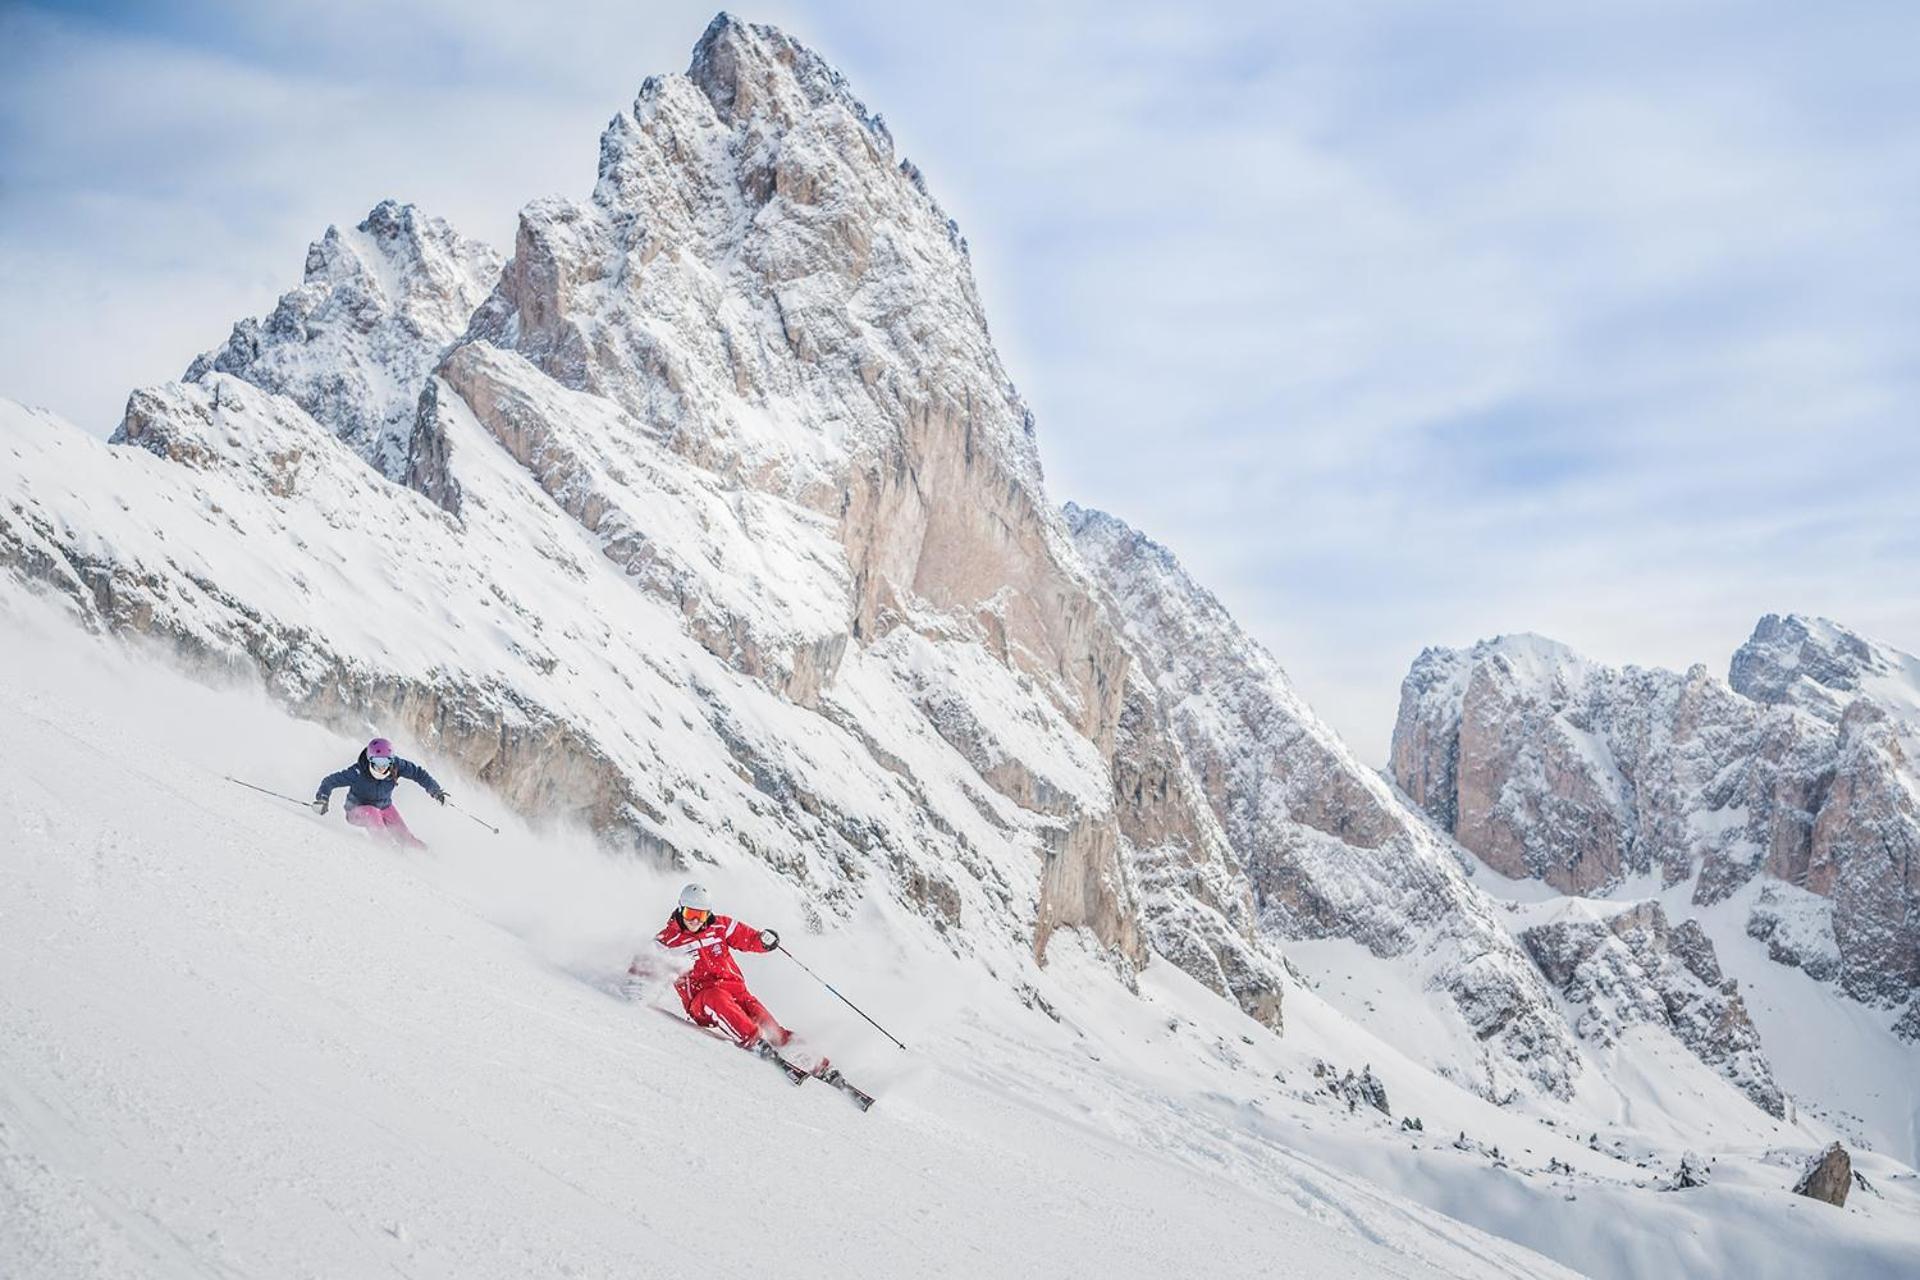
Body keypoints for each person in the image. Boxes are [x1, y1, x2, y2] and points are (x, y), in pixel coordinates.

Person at [646, 883, 792, 1051]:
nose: (694, 921)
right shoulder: (668, 941)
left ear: (708, 914)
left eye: (700, 916)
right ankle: (755, 1042)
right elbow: (646, 964)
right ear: (680, 909)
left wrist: (764, 942)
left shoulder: (720, 926)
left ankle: (811, 1059)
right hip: (702, 1001)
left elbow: (748, 938)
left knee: (770, 1026)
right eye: (690, 913)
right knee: (715, 997)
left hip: (737, 993)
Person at [312, 737, 447, 849]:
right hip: (356, 812)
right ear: (370, 759)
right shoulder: (358, 772)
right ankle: (388, 848)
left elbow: (418, 774)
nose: (382, 767)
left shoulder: (396, 766)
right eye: (377, 762)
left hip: (384, 807)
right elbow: (329, 781)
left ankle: (425, 855)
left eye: (385, 762)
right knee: (372, 812)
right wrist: (323, 799)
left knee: (405, 836)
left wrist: (435, 790)